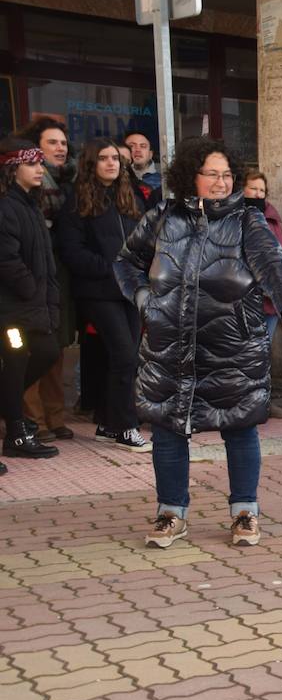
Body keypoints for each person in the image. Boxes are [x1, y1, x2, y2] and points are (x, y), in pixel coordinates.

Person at [113, 136, 282, 549]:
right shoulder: (164, 217)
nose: (221, 183)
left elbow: (274, 266)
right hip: (169, 347)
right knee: (167, 431)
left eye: (227, 175)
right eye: (211, 174)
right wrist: (142, 296)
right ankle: (171, 512)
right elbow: (126, 260)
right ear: (191, 176)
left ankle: (245, 513)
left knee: (239, 430)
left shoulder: (248, 221)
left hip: (233, 348)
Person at [54, 138, 151, 451]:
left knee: (127, 357)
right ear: (90, 163)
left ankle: (109, 423)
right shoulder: (76, 200)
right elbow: (71, 250)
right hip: (99, 290)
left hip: (131, 291)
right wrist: (112, 268)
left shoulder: (130, 197)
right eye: (104, 158)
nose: (111, 163)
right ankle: (124, 426)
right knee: (124, 356)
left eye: (115, 158)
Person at [0, 139, 61, 464]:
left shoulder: (30, 205)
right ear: (13, 169)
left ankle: (10, 414)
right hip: (11, 311)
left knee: (46, 352)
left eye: (41, 163)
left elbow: (44, 261)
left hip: (32, 306)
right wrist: (30, 290)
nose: (40, 169)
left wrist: (47, 300)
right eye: (32, 163)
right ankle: (15, 432)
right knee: (15, 362)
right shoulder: (7, 205)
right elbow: (7, 259)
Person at [18, 119, 74, 441]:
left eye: (63, 142)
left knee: (57, 345)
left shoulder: (70, 183)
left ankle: (55, 417)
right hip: (33, 277)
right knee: (32, 347)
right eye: (52, 142)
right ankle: (33, 419)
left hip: (59, 275)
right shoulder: (26, 191)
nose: (60, 148)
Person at [242, 173, 282, 419]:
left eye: (262, 190)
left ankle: (263, 400)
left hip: (271, 300)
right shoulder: (235, 217)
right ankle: (243, 401)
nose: (258, 195)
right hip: (245, 298)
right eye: (253, 189)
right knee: (243, 352)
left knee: (264, 352)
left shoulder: (273, 218)